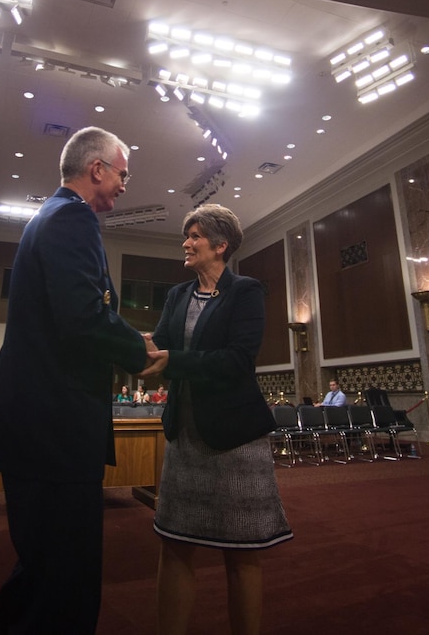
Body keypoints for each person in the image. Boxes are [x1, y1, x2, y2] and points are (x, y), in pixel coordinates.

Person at [0, 126, 161, 635]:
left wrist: (127, 337)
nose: (126, 184)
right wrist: (137, 351)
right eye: (122, 173)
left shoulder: (49, 216)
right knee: (66, 587)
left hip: (40, 430)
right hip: (55, 433)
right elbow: (83, 318)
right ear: (97, 169)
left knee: (41, 577)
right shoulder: (72, 220)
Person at [146, 204, 292, 635]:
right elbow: (163, 350)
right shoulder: (176, 296)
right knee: (173, 546)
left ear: (221, 245)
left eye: (194, 236)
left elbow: (236, 360)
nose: (186, 244)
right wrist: (137, 349)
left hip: (233, 440)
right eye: (185, 236)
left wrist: (174, 359)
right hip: (185, 437)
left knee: (241, 552)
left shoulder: (246, 291)